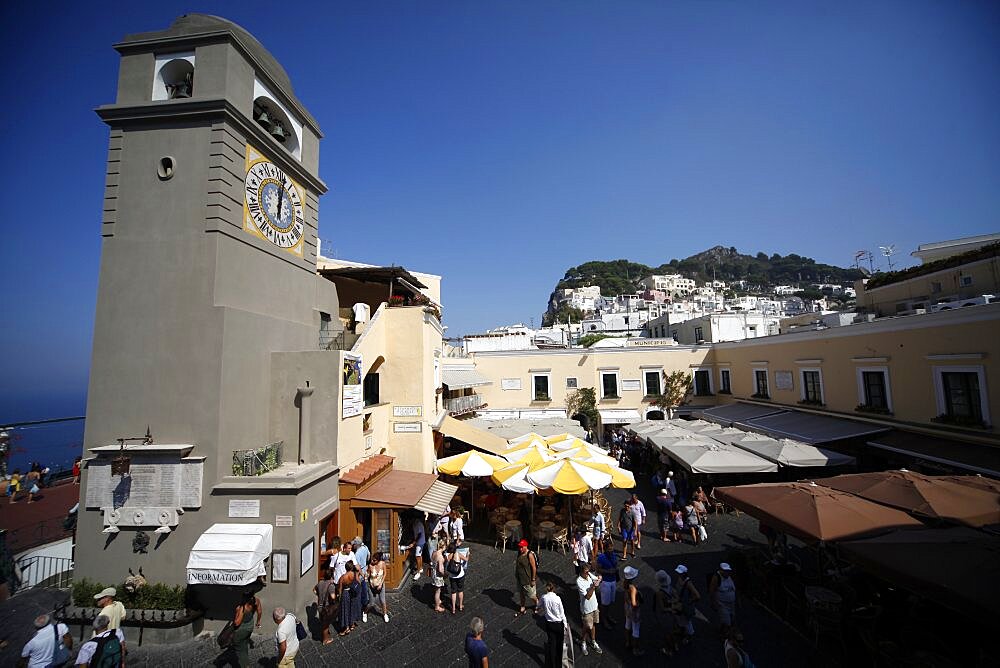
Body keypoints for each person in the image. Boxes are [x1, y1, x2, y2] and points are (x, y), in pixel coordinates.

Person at [538, 581, 568, 668]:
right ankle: (560, 661)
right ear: (554, 589)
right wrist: (565, 624)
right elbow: (562, 613)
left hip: (549, 623)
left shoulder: (544, 597)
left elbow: (538, 605)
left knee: (552, 643)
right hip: (559, 624)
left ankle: (552, 664)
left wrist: (539, 608)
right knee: (559, 643)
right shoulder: (557, 599)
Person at [576, 562, 603, 656]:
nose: (588, 573)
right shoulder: (579, 581)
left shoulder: (589, 574)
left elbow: (598, 579)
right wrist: (594, 586)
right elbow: (587, 596)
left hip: (594, 606)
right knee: (586, 626)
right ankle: (583, 642)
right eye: (586, 572)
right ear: (581, 572)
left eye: (588, 571)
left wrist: (599, 579)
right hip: (586, 608)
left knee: (593, 625)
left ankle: (593, 641)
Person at [653, 569, 681, 656]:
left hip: (665, 616)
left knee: (667, 633)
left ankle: (669, 650)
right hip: (673, 614)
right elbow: (677, 598)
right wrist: (672, 603)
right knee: (673, 631)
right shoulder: (670, 588)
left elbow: (662, 608)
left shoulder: (659, 593)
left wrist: (669, 607)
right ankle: (676, 645)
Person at [674, 564, 701, 641]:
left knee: (687, 622)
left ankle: (689, 636)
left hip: (685, 605)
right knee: (681, 619)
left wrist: (690, 601)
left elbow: (698, 596)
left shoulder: (688, 583)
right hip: (681, 603)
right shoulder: (680, 578)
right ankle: (682, 631)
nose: (678, 573)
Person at [710, 562, 738, 635]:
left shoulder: (729, 577)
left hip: (731, 603)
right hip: (722, 604)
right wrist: (713, 603)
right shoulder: (717, 578)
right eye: (725, 571)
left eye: (728, 571)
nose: (727, 573)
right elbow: (712, 591)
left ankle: (722, 631)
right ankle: (725, 635)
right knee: (727, 622)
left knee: (731, 619)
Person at [595, 540, 619, 626]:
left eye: (612, 549)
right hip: (605, 582)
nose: (611, 551)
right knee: (605, 603)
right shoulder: (601, 558)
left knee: (610, 601)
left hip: (613, 580)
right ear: (605, 549)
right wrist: (608, 571)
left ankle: (607, 615)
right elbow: (598, 569)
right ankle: (603, 618)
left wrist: (615, 568)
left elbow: (616, 565)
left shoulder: (613, 555)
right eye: (609, 549)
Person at [513, 538, 537, 616]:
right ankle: (522, 606)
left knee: (531, 595)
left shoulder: (529, 555)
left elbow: (534, 568)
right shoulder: (519, 553)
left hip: (527, 579)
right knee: (521, 593)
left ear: (526, 546)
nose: (520, 549)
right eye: (519, 547)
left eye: (521, 547)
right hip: (520, 578)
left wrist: (533, 579)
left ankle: (538, 604)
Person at [336, 562, 361, 635]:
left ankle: (346, 628)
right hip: (352, 593)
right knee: (351, 608)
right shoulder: (354, 574)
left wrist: (339, 597)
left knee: (345, 610)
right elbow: (358, 582)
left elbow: (340, 589)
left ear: (345, 568)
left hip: (346, 593)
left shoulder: (343, 577)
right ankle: (352, 624)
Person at [314, 568, 337, 644]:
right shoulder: (331, 586)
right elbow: (333, 597)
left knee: (323, 620)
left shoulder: (320, 582)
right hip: (326, 608)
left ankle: (324, 632)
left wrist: (320, 596)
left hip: (320, 606)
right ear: (331, 577)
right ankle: (325, 640)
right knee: (326, 625)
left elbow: (314, 590)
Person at [352, 536, 371, 622]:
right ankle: (365, 603)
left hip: (360, 574)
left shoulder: (357, 554)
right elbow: (369, 556)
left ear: (356, 545)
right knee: (364, 589)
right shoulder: (365, 547)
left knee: (359, 591)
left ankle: (360, 609)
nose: (353, 546)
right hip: (365, 569)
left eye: (354, 544)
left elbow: (357, 567)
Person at [446, 542, 468, 614]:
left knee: (453, 592)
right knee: (460, 591)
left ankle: (453, 609)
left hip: (452, 576)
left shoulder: (448, 556)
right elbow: (466, 559)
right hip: (460, 575)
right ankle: (461, 606)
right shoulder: (458, 554)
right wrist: (468, 554)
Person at [367, 551, 390, 622]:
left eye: (374, 560)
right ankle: (365, 612)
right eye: (372, 559)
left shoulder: (383, 564)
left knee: (383, 601)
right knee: (371, 603)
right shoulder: (370, 565)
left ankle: (385, 614)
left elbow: (385, 574)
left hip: (380, 585)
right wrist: (369, 581)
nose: (372, 561)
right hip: (372, 586)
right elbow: (368, 575)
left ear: (378, 560)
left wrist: (381, 584)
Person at [431, 536, 449, 612]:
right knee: (438, 591)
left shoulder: (434, 552)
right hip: (438, 575)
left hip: (433, 573)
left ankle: (438, 601)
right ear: (444, 546)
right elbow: (440, 570)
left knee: (436, 589)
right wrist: (445, 574)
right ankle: (437, 606)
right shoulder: (440, 557)